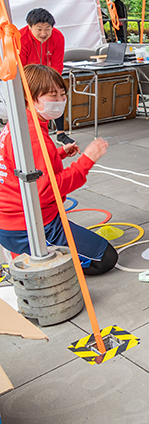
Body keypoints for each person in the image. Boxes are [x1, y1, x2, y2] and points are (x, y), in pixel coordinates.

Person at [0, 65, 116, 275]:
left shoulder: (21, 122)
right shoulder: (33, 135)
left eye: (62, 94)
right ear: (29, 96)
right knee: (105, 257)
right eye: (52, 95)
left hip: (15, 219)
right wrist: (87, 160)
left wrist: (59, 153)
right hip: (31, 225)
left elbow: (24, 165)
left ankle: (29, 253)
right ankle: (34, 260)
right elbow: (46, 190)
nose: (60, 100)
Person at [19, 8, 74, 146]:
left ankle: (60, 133)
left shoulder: (58, 36)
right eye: (39, 29)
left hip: (49, 74)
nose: (43, 34)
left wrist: (52, 84)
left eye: (47, 29)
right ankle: (29, 132)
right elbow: (21, 66)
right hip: (28, 76)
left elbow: (57, 63)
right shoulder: (20, 38)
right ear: (29, 26)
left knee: (57, 94)